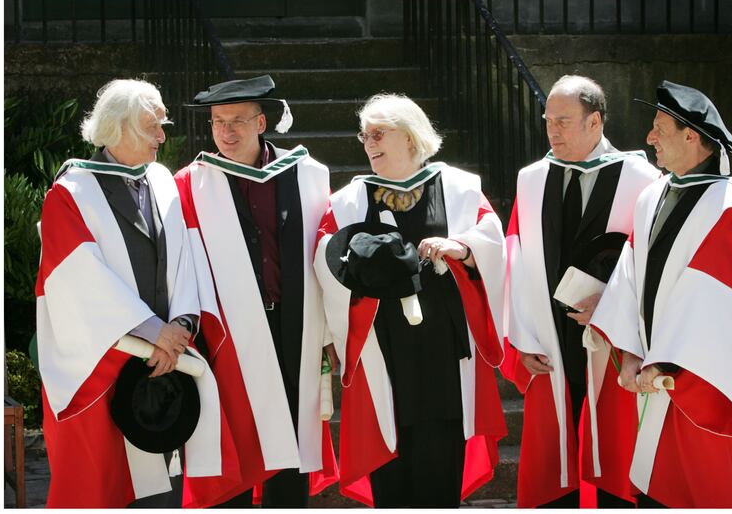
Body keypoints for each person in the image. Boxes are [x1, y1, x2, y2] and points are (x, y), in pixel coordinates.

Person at [36, 78, 228, 507]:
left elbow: (185, 260)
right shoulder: (71, 193)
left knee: (159, 489)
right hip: (104, 367)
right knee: (101, 488)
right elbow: (77, 280)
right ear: (116, 127)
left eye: (163, 125)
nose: (163, 136)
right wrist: (152, 332)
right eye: (151, 126)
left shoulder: (161, 181)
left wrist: (178, 329)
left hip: (161, 366)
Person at [589, 80, 732, 508]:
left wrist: (665, 363)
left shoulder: (730, 206)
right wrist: (632, 354)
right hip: (653, 380)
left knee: (704, 491)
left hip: (701, 383)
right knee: (658, 491)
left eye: (659, 128)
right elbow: (628, 279)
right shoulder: (653, 194)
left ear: (692, 136)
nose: (648, 138)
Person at [313, 94, 507, 508]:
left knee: (440, 467)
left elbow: (493, 242)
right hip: (383, 352)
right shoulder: (346, 202)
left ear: (411, 135)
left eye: (380, 133)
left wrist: (461, 247)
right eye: (365, 135)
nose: (369, 142)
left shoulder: (458, 187)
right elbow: (324, 265)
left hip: (441, 354)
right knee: (391, 473)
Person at [174, 75, 338, 508]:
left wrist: (332, 334)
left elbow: (325, 255)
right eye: (217, 122)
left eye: (238, 121)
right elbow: (180, 265)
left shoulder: (307, 173)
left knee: (290, 441)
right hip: (227, 336)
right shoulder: (191, 183)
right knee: (235, 442)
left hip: (293, 326)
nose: (226, 132)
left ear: (262, 122)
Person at [502, 75, 659, 508]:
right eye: (548, 120)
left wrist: (612, 308)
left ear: (595, 122)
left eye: (564, 121)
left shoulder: (641, 178)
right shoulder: (531, 180)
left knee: (613, 461)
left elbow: (652, 265)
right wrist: (521, 340)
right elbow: (514, 260)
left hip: (611, 346)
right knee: (554, 471)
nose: (552, 131)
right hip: (550, 346)